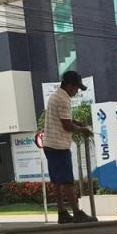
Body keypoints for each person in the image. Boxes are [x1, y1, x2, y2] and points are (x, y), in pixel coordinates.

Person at [43, 70, 97, 224]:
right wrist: (82, 130)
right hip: (59, 146)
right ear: (69, 86)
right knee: (67, 181)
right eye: (76, 88)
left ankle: (62, 212)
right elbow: (67, 126)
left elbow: (64, 119)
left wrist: (77, 123)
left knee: (56, 181)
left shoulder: (55, 96)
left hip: (50, 144)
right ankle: (77, 213)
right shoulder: (63, 99)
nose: (76, 91)